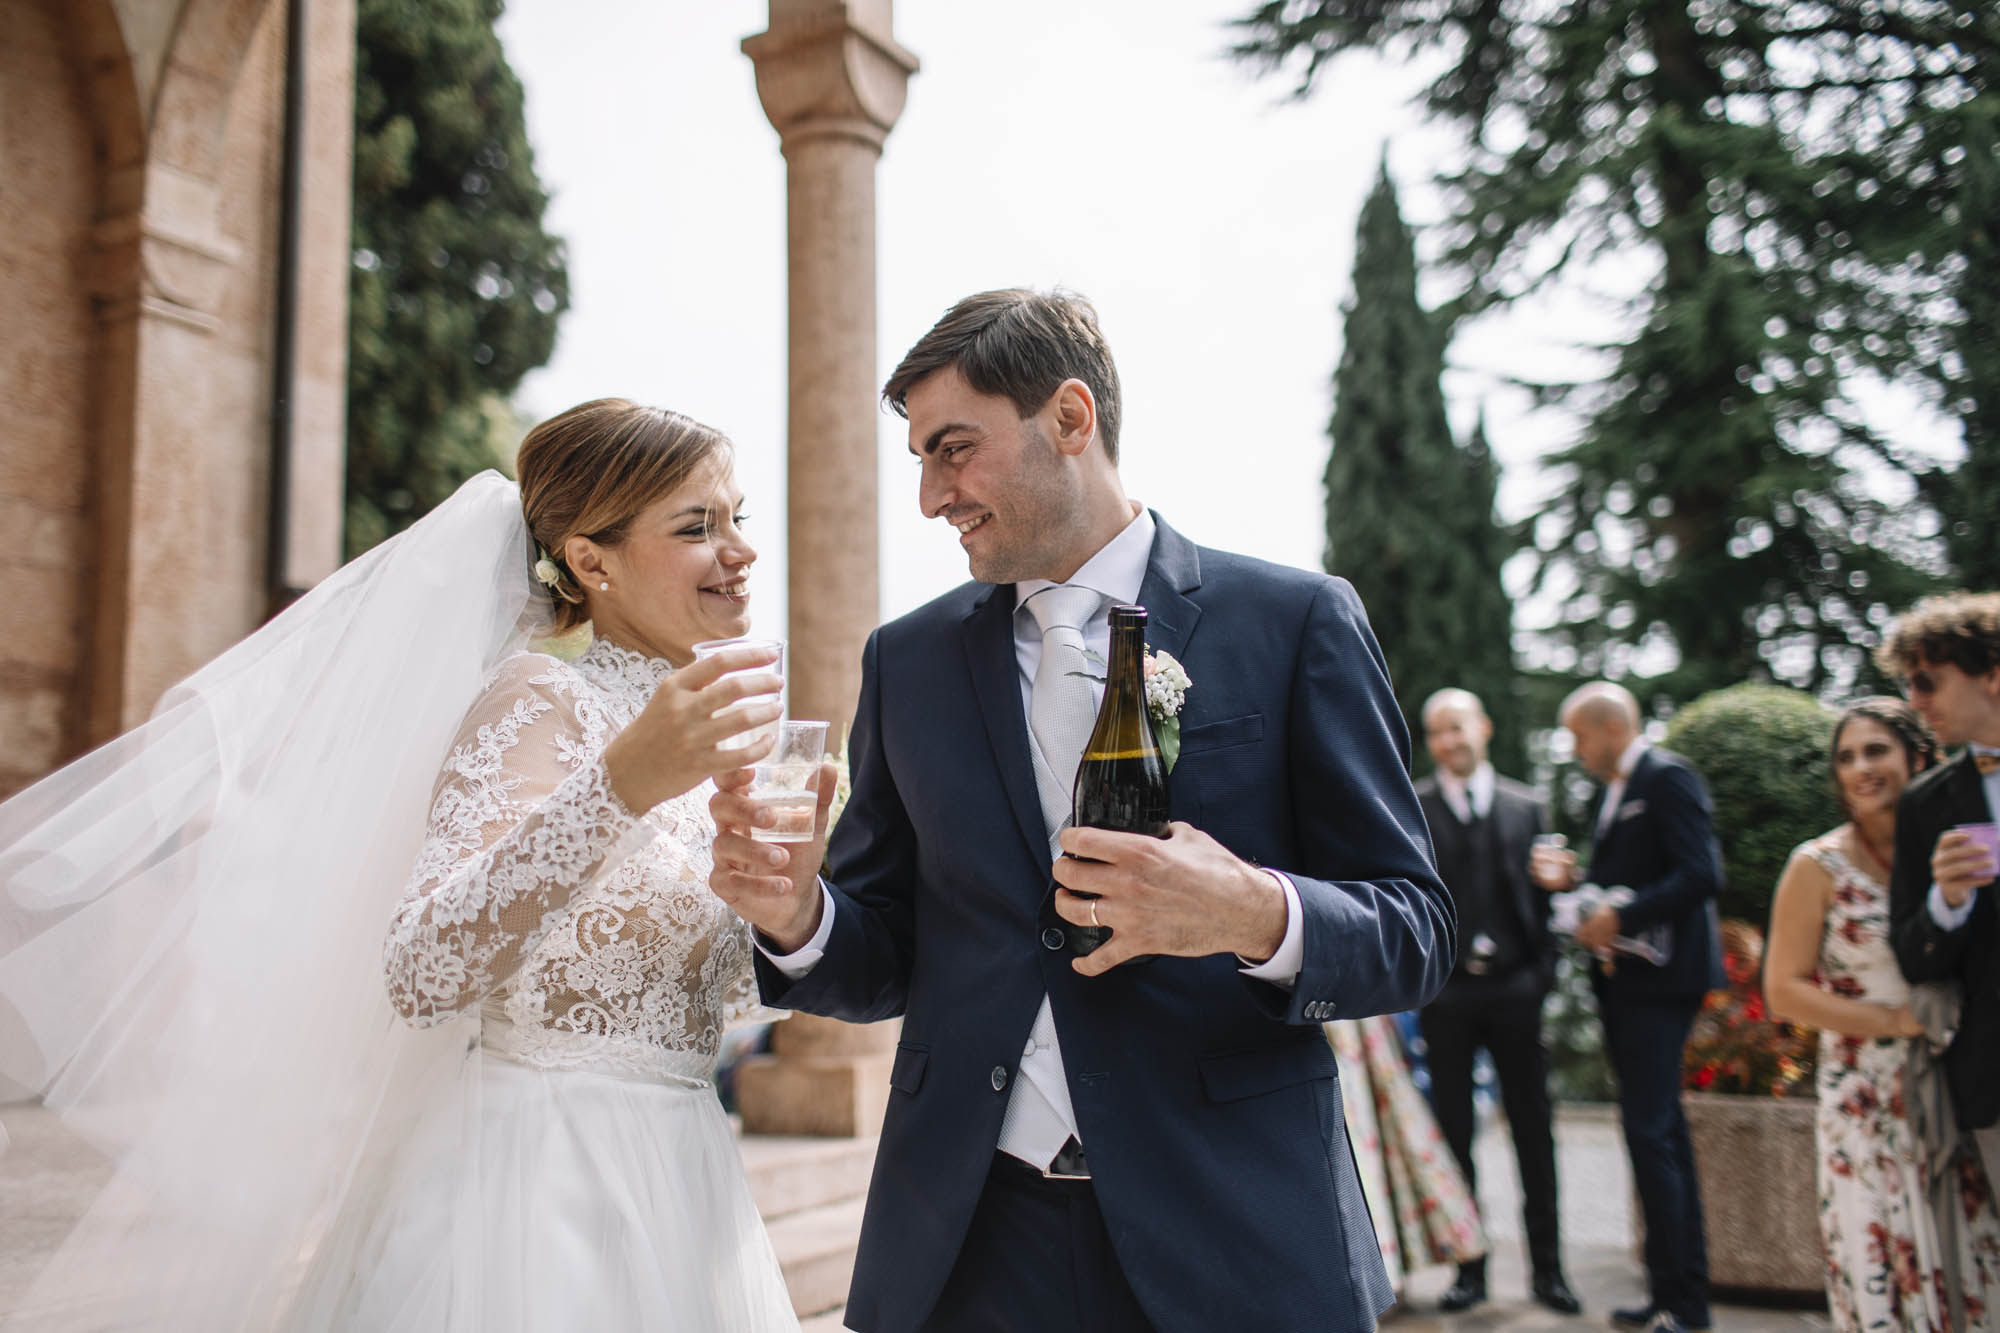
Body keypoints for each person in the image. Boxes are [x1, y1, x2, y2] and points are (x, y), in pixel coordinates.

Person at [708, 288, 1455, 1333]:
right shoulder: (907, 661)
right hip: (968, 1242)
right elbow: (887, 952)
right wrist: (799, 917)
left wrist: (1252, 911)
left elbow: (1416, 930)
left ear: (1069, 417)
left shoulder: (1293, 622)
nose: (930, 496)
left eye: (953, 450)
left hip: (1235, 1233)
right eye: (919, 459)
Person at [0, 400, 803, 1331]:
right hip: (536, 1188)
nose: (741, 549)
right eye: (698, 526)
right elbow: (423, 969)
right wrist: (621, 784)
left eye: (738, 517)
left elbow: (711, 997)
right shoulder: (540, 700)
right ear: (592, 561)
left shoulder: (709, 751)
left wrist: (783, 906)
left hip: (689, 1181)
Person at [1764, 696, 2000, 1331]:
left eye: (1876, 751)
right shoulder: (1817, 865)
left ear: (1919, 757)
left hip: (1961, 1082)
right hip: (1866, 1098)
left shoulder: (1964, 846)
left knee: (1973, 1252)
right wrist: (1893, 1022)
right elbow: (1783, 991)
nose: (1861, 768)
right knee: (1887, 1259)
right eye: (1846, 758)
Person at [1531, 681, 1723, 1333]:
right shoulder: (1614, 791)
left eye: (1578, 735)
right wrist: (1579, 885)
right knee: (1658, 1134)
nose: (1575, 749)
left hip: (1663, 984)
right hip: (1628, 985)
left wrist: (1621, 915)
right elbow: (1633, 878)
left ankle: (1686, 1305)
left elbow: (1701, 873)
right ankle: (1670, 1291)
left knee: (1651, 1133)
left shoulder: (1667, 777)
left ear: (1612, 727)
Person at [1413, 688, 1579, 1315]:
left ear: (1482, 728)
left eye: (1456, 727)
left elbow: (1551, 896)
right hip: (1447, 993)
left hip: (1517, 989)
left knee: (1534, 1132)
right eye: (1437, 732)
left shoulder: (1526, 805)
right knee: (1454, 1133)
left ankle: (1550, 1272)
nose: (1448, 741)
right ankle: (1470, 1270)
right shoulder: (1414, 806)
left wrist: (1543, 975)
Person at [1879, 593, 2000, 1192]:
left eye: (1927, 682)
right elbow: (1910, 954)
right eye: (1908, 685)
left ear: (1993, 675)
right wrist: (1947, 902)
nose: (1914, 702)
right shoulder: (1925, 803)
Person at [1324, 1014, 1487, 1307]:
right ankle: (1375, 1276)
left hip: (1351, 1022)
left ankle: (1382, 1275)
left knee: (1374, 1132)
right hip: (1337, 1029)